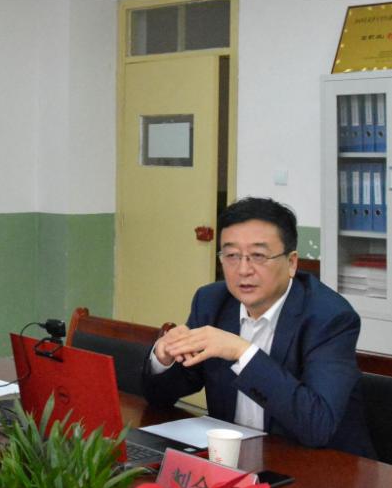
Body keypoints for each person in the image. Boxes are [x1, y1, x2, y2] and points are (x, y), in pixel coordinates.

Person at [143, 196, 376, 458]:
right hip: (237, 458)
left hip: (321, 466)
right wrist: (163, 359)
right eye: (232, 255)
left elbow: (317, 425)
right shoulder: (211, 302)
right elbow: (161, 399)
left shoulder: (329, 318)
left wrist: (242, 353)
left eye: (258, 256)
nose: (243, 270)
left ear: (291, 263)